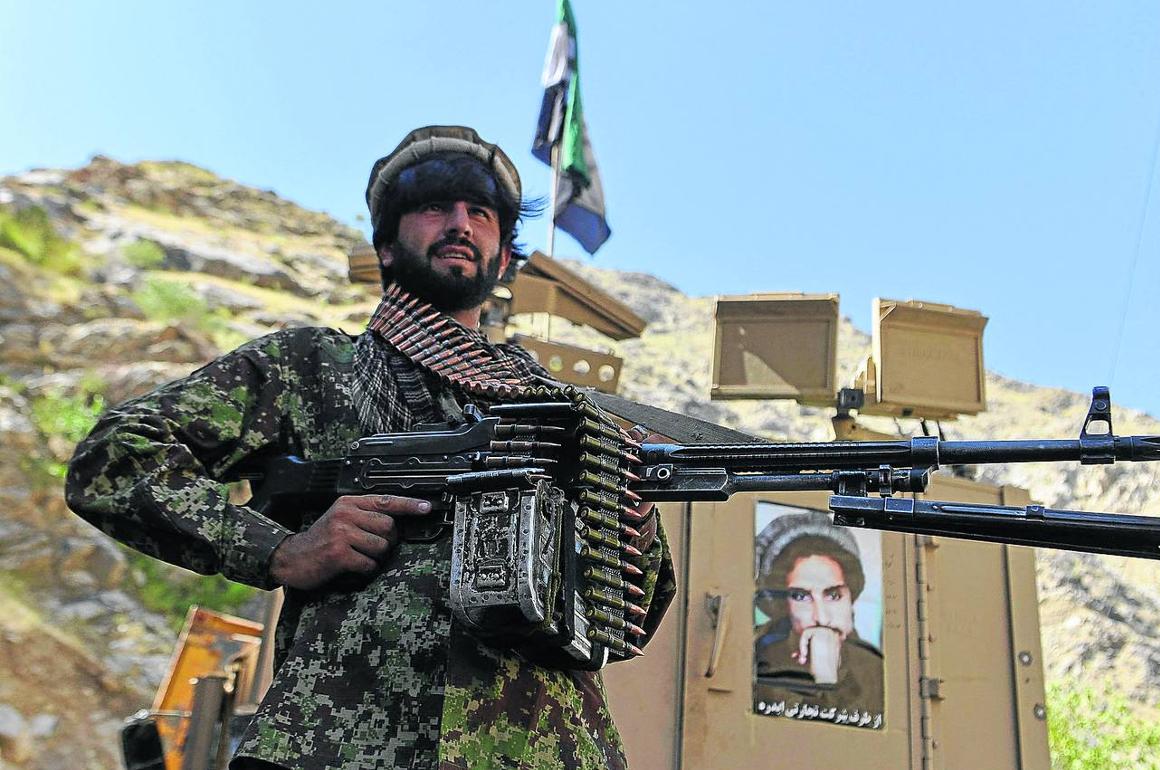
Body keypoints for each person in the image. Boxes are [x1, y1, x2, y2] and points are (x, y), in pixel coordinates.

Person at [65, 125, 675, 770]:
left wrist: (629, 526)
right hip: (342, 737)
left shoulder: (563, 411)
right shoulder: (311, 368)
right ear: (386, 246)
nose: (461, 224)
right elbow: (116, 457)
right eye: (435, 207)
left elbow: (637, 605)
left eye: (482, 213)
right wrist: (276, 550)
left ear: (503, 258)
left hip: (541, 745)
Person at [753, 512, 884, 720]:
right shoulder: (754, 660)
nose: (821, 618)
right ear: (781, 606)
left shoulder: (877, 671)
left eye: (833, 595)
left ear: (851, 598)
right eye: (801, 597)